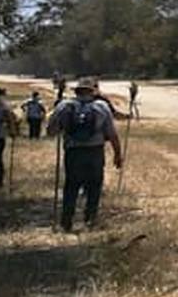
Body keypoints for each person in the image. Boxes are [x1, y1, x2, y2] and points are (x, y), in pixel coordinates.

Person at [46, 77, 123, 232]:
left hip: (73, 152)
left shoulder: (64, 106)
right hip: (95, 152)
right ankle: (90, 219)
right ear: (92, 92)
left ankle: (66, 222)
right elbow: (112, 134)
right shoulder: (101, 107)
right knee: (94, 186)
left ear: (77, 92)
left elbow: (51, 130)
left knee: (71, 186)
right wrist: (117, 154)